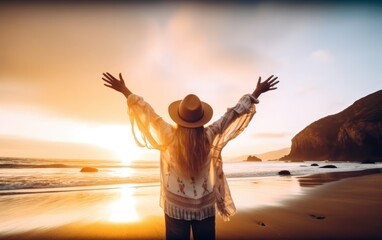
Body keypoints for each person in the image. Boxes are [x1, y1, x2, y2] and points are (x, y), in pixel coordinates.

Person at [102, 72, 279, 240]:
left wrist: (125, 91)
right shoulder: (209, 135)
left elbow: (147, 112)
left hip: (176, 206)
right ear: (201, 119)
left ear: (179, 118)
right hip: (204, 207)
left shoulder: (169, 135)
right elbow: (232, 114)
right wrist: (256, 92)